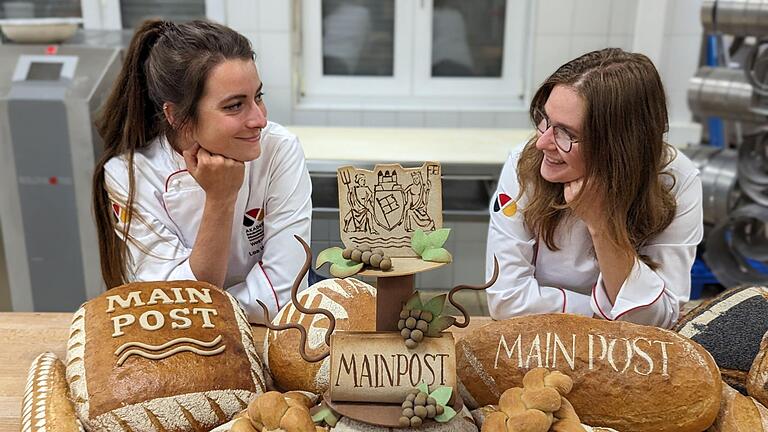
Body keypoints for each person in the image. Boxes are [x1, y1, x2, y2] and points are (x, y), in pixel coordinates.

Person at [91, 19, 312, 323]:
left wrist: (196, 310)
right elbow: (173, 304)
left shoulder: (280, 149)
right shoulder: (128, 176)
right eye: (235, 106)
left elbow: (284, 294)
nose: (259, 119)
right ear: (177, 115)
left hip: (271, 333)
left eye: (258, 97)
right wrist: (220, 198)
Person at [486, 48, 703, 328]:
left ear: (621, 146)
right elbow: (506, 300)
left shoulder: (676, 179)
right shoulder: (523, 165)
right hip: (538, 340)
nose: (543, 143)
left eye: (568, 133)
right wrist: (610, 310)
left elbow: (660, 317)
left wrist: (601, 225)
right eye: (545, 120)